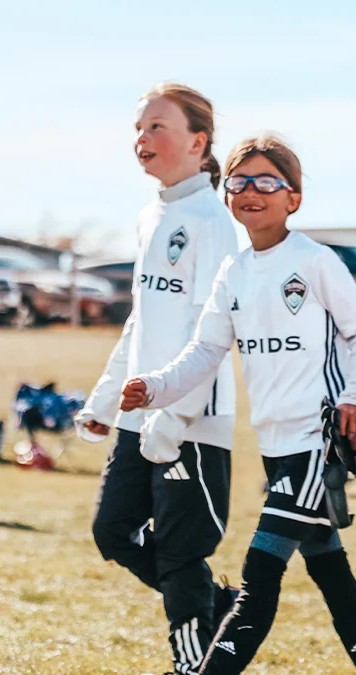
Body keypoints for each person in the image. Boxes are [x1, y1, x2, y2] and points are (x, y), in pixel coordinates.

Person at [119, 135, 356, 674]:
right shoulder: (234, 272)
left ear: (292, 197)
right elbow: (204, 352)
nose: (251, 191)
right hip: (274, 446)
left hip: (316, 442)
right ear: (227, 196)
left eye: (267, 182)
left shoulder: (316, 262)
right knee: (330, 572)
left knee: (259, 571)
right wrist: (155, 387)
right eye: (239, 182)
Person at [78, 82, 238, 675]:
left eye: (157, 127)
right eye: (139, 128)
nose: (142, 139)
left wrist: (173, 419)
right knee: (113, 532)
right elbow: (142, 321)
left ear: (199, 142)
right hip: (139, 415)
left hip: (193, 421)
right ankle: (219, 607)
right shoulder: (152, 215)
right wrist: (105, 401)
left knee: (178, 553)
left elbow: (210, 335)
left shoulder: (213, 222)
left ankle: (193, 661)